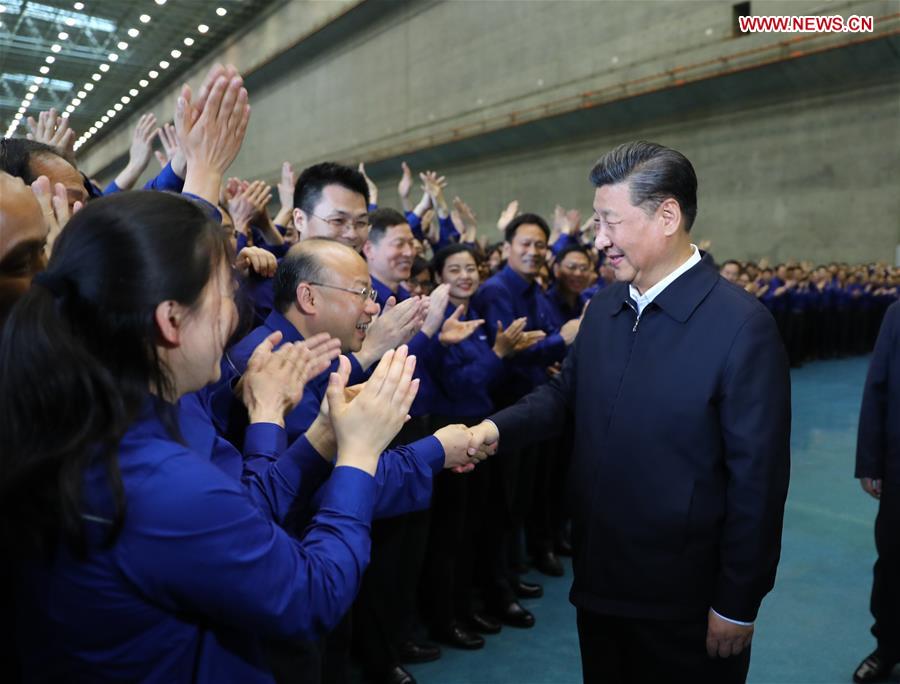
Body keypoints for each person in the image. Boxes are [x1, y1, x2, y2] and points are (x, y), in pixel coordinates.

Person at [0, 191, 421, 682]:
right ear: (171, 321)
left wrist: (324, 437)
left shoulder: (91, 415)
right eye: (227, 293)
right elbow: (311, 595)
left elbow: (239, 508)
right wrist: (359, 457)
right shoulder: (156, 476)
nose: (237, 315)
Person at [467, 141, 791, 683]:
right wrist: (490, 430)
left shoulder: (742, 326)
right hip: (599, 579)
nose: (599, 241)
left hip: (682, 598)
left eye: (610, 222)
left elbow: (757, 480)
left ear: (667, 215)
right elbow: (565, 398)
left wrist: (737, 602)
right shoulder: (606, 307)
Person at [853, 300, 900, 683]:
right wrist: (870, 461)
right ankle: (887, 646)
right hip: (899, 469)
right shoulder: (897, 314)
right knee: (893, 563)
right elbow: (878, 385)